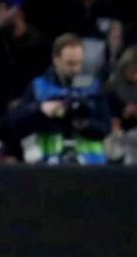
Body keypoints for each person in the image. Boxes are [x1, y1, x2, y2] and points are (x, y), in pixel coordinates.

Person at [7, 34, 112, 165]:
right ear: (56, 60)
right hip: (49, 165)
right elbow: (14, 122)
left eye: (79, 63)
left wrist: (84, 125)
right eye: (70, 63)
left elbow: (106, 128)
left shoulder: (93, 87)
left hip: (90, 166)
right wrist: (41, 109)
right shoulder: (39, 87)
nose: (76, 69)